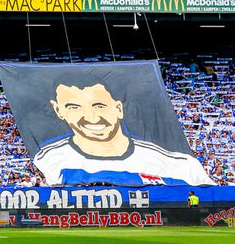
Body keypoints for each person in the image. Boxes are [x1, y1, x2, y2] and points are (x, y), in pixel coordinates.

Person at [32, 79, 214, 186]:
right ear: (59, 111)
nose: (91, 117)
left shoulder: (179, 164)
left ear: (118, 108)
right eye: (74, 107)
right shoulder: (47, 159)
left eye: (99, 106)